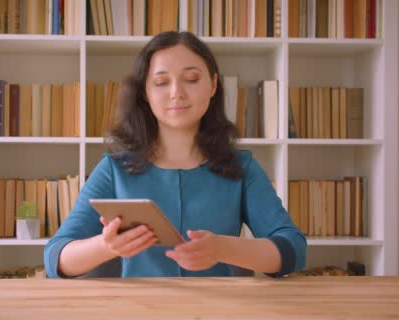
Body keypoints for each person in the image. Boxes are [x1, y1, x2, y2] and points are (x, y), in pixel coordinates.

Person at [44, 31, 306, 278]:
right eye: (160, 82)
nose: (176, 93)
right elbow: (56, 257)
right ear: (145, 93)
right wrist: (105, 246)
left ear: (213, 85)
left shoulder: (242, 166)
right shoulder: (114, 169)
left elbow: (293, 249)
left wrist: (222, 248)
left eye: (191, 79)